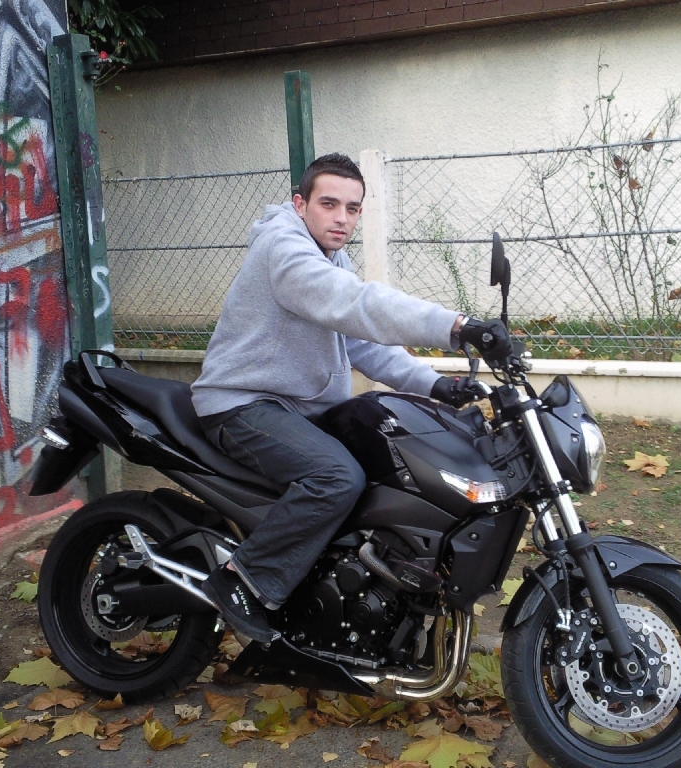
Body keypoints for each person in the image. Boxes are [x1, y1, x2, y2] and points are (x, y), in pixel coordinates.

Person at [191, 153, 511, 642]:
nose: (342, 217)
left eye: (353, 208)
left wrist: (436, 385)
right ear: (300, 204)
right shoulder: (285, 251)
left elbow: (360, 341)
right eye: (329, 204)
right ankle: (243, 580)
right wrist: (457, 326)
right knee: (337, 477)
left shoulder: (328, 256)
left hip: (295, 408)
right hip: (242, 404)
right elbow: (357, 304)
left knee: (391, 455)